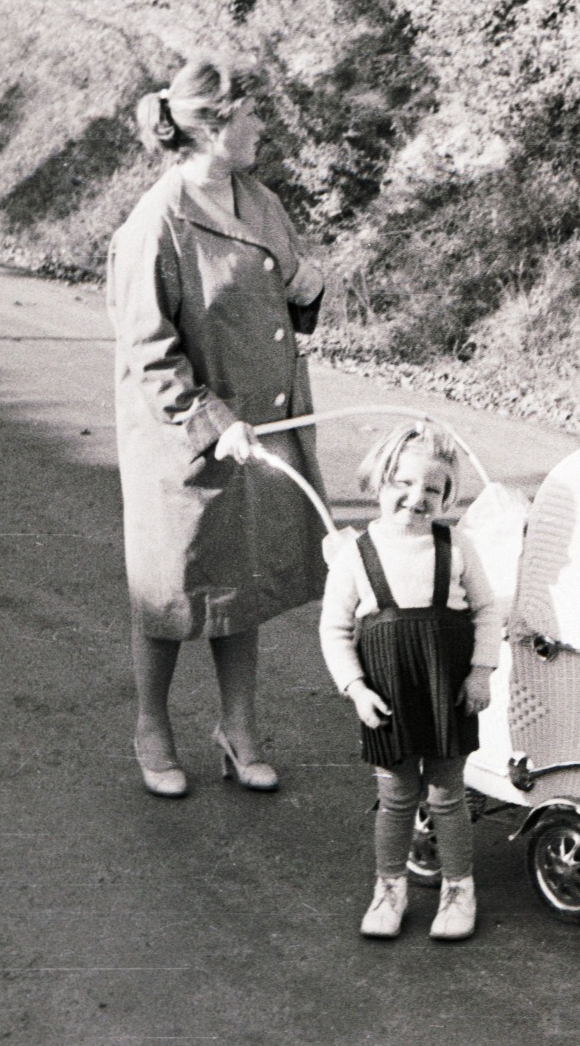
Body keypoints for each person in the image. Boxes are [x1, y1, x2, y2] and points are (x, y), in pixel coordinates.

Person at [108, 54, 327, 799]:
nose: (264, 125)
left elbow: (282, 302)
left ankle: (237, 731)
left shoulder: (259, 199)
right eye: (252, 113)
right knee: (170, 590)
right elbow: (146, 348)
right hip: (182, 438)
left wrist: (307, 292)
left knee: (246, 576)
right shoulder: (158, 220)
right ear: (214, 124)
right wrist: (211, 419)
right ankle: (152, 727)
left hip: (263, 423)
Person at [318, 423, 501, 941]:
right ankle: (389, 889)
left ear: (446, 497)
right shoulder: (356, 554)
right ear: (378, 482)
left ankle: (459, 888)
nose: (415, 497)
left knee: (447, 794)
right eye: (402, 482)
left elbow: (487, 611)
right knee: (397, 795)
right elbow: (333, 628)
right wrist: (355, 688)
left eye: (431, 489)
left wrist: (481, 671)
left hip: (448, 691)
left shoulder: (456, 545)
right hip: (387, 694)